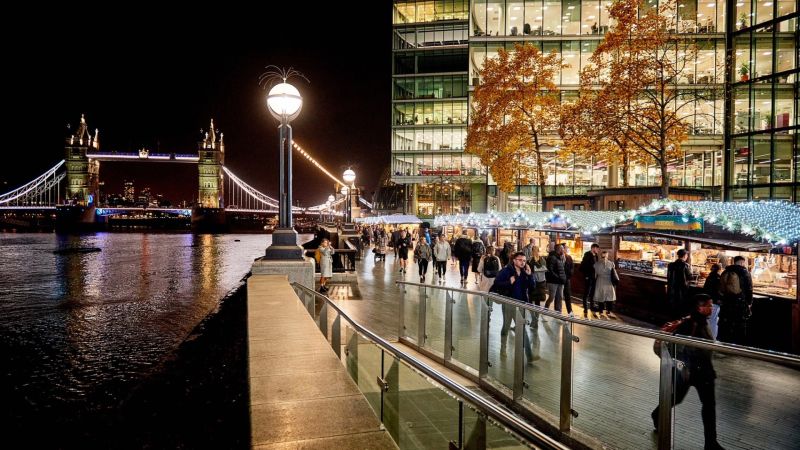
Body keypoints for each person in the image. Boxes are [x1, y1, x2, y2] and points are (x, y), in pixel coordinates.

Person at [651, 294, 724, 450]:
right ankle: (657, 414)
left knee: (708, 405)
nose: (711, 308)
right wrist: (684, 369)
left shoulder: (702, 322)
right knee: (677, 398)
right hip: (689, 372)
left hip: (702, 372)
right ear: (699, 307)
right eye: (708, 305)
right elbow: (679, 349)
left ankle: (711, 443)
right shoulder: (690, 324)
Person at [492, 252, 537, 362]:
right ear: (514, 260)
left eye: (524, 261)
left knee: (522, 329)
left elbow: (532, 287)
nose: (523, 262)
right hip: (508, 304)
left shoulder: (524, 272)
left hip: (520, 305)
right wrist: (509, 282)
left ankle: (529, 356)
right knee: (506, 327)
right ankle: (503, 348)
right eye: (520, 260)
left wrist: (530, 275)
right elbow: (496, 283)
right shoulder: (506, 271)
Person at [717, 256, 753, 345]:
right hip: (740, 302)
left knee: (726, 324)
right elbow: (749, 288)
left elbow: (721, 287)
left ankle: (725, 343)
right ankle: (739, 345)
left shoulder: (726, 271)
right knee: (739, 325)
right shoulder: (744, 272)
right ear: (741, 262)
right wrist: (749, 302)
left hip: (726, 302)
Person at [667, 249, 693, 318]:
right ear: (684, 256)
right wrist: (691, 270)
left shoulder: (670, 265)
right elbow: (690, 277)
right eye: (687, 255)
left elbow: (668, 277)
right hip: (681, 290)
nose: (687, 256)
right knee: (681, 308)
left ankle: (673, 320)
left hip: (672, 289)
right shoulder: (685, 265)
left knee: (673, 307)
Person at [592, 250, 617, 318]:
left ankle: (601, 312)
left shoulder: (596, 264)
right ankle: (608, 312)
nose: (605, 258)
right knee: (609, 297)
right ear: (607, 256)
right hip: (608, 281)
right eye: (605, 256)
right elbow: (613, 272)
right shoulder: (611, 264)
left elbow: (595, 274)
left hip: (600, 281)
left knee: (601, 296)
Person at [545, 244, 567, 313]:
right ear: (559, 249)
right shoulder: (552, 257)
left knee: (559, 297)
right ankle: (545, 309)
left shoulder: (561, 257)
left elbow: (562, 269)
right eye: (562, 248)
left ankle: (558, 312)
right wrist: (557, 277)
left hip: (560, 281)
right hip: (553, 281)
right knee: (551, 297)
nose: (564, 250)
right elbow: (550, 269)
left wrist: (562, 278)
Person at [579, 243, 600, 317]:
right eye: (597, 249)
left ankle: (592, 307)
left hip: (594, 277)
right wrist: (586, 276)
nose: (598, 250)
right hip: (588, 277)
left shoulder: (596, 255)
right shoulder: (587, 254)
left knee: (592, 293)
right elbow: (584, 266)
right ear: (593, 248)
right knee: (586, 293)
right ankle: (585, 308)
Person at [703, 263, 722, 339]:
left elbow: (705, 289)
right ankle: (712, 338)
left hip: (707, 301)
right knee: (713, 321)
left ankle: (708, 337)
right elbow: (719, 291)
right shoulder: (719, 278)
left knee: (709, 320)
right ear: (719, 270)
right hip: (715, 302)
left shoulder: (709, 277)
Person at [561, 243, 575, 318]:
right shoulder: (558, 257)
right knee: (558, 296)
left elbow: (572, 267)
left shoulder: (569, 257)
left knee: (568, 295)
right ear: (562, 249)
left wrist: (570, 274)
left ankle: (570, 311)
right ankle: (557, 312)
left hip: (567, 279)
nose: (567, 249)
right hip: (559, 279)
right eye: (566, 247)